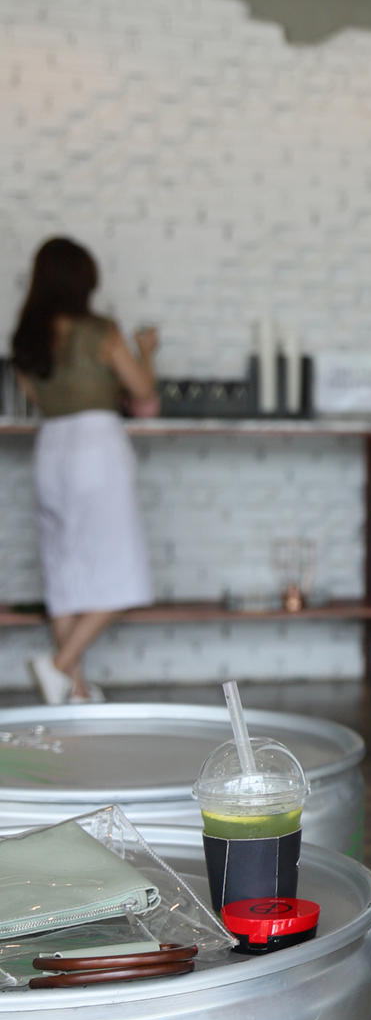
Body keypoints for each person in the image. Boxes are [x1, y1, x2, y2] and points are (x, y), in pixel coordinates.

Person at [9, 237, 158, 705]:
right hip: (96, 448)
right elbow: (143, 392)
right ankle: (58, 665)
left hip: (50, 447)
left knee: (64, 573)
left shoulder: (26, 338)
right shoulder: (101, 332)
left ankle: (75, 692)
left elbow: (36, 397)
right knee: (124, 570)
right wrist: (146, 351)